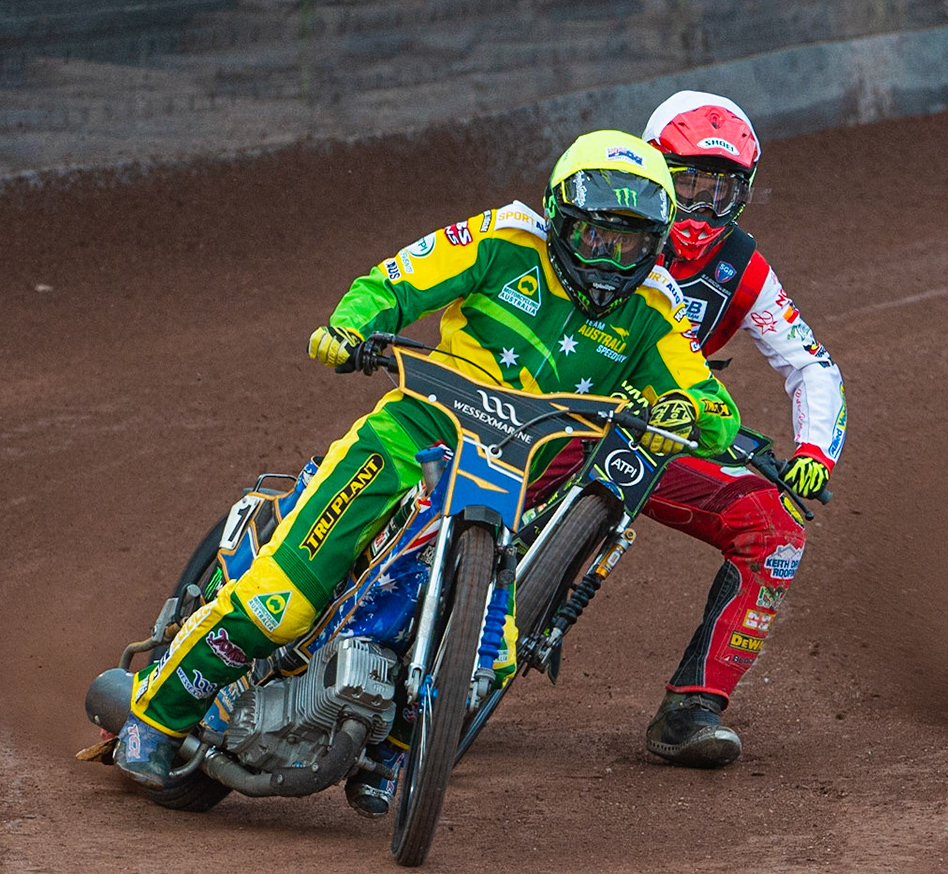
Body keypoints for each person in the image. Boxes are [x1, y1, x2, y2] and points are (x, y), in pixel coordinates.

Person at [115, 131, 742, 814]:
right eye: (595, 237)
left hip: (508, 479)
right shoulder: (504, 237)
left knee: (490, 655)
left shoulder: (655, 305)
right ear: (560, 218)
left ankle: (393, 750)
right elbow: (394, 281)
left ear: (654, 243)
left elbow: (714, 404)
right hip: (409, 435)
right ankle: (156, 719)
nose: (610, 257)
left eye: (629, 242)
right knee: (282, 603)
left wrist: (689, 409)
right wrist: (351, 327)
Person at [625, 90, 847, 768]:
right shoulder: (596, 219)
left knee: (775, 529)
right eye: (686, 182)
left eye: (719, 190)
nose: (700, 205)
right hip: (550, 417)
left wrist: (816, 450)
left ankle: (691, 708)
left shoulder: (743, 267)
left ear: (743, 195)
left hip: (660, 439)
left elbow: (812, 365)